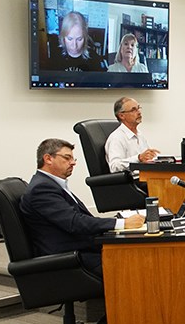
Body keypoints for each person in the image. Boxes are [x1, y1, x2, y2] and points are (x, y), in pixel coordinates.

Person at [20, 139, 144, 278]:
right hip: (71, 257)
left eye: (73, 159)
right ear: (48, 159)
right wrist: (122, 224)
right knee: (139, 266)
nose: (73, 163)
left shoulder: (51, 184)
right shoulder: (41, 188)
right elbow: (74, 222)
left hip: (81, 248)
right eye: (67, 158)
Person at [105, 97, 159, 176]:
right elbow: (114, 167)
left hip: (145, 177)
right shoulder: (117, 137)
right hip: (131, 183)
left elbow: (147, 159)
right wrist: (138, 158)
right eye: (133, 110)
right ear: (122, 116)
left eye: (139, 108)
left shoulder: (140, 135)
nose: (139, 112)